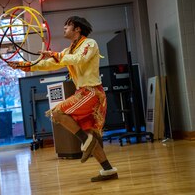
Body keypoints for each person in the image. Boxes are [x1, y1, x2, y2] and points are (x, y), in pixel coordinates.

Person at [8, 16, 118, 182]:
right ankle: (108, 170)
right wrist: (24, 65)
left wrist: (55, 54)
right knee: (90, 135)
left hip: (91, 92)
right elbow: (48, 64)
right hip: (84, 93)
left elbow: (79, 59)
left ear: (77, 29)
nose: (64, 28)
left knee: (57, 113)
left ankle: (84, 140)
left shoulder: (90, 44)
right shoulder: (68, 51)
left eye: (67, 26)